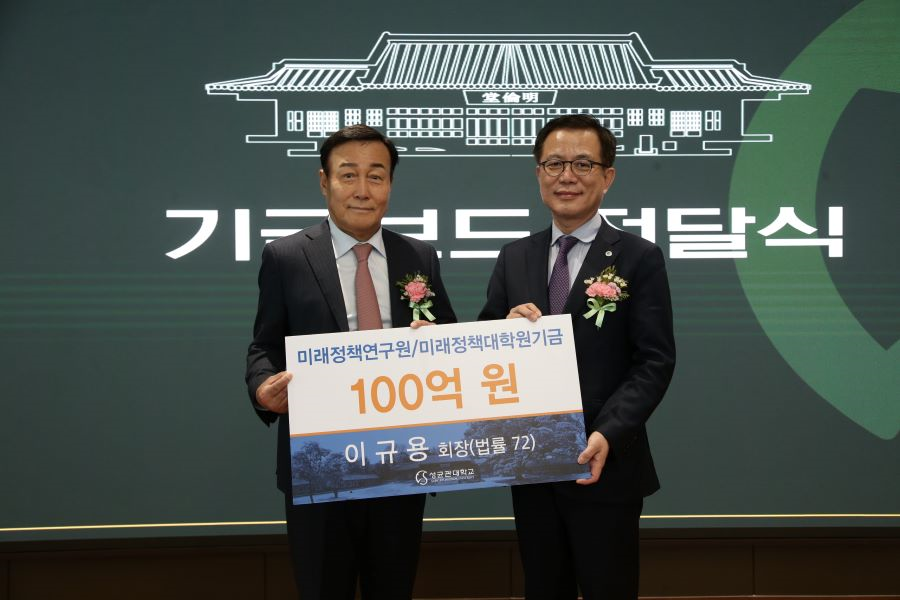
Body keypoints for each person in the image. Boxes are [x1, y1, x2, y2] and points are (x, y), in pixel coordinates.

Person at [245, 124, 457, 599]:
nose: (363, 190)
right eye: (348, 175)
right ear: (325, 182)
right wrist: (263, 387)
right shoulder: (286, 256)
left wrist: (440, 343)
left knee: (393, 587)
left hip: (402, 459)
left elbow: (449, 338)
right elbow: (263, 346)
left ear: (390, 184)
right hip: (319, 460)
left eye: (376, 176)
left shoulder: (418, 256)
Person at [478, 114, 676, 599]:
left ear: (608, 176)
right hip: (532, 464)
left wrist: (608, 431)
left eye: (583, 164)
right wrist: (502, 332)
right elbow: (484, 350)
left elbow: (654, 361)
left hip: (605, 464)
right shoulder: (514, 256)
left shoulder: (638, 257)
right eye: (555, 164)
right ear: (538, 174)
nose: (567, 176)